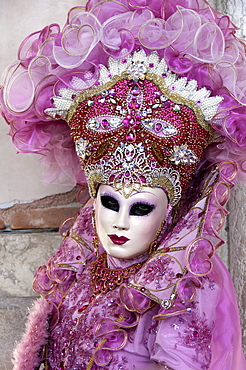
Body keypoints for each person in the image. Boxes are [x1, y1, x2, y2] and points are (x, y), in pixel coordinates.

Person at [0, 0, 245, 369]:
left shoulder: (181, 289)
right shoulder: (79, 266)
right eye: (110, 202)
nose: (120, 222)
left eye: (142, 207)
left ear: (171, 210)